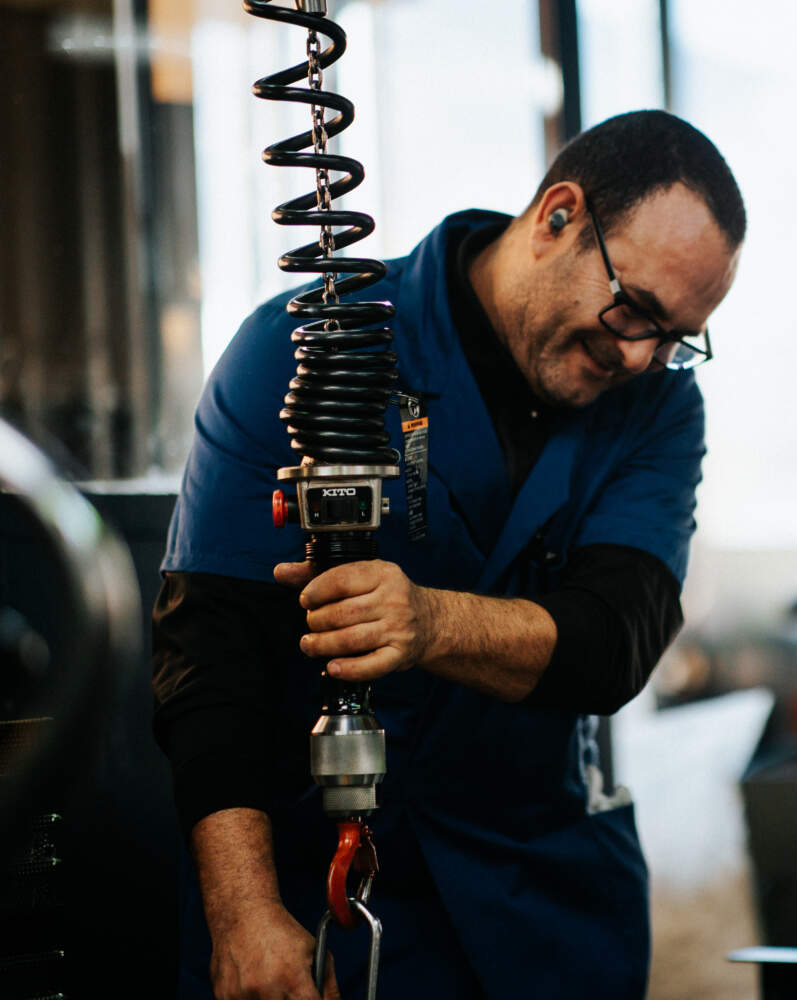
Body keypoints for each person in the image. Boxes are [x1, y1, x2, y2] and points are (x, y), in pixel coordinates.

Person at [152, 109, 745, 999]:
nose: (638, 354)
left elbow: (613, 638)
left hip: (543, 910)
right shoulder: (308, 347)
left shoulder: (658, 410)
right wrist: (242, 912)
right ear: (558, 217)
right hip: (317, 905)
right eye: (633, 310)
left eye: (674, 337)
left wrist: (428, 621)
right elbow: (209, 658)